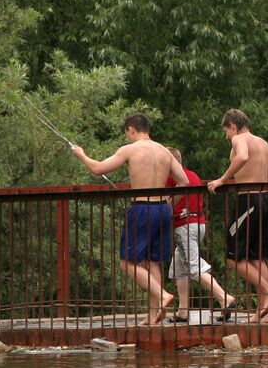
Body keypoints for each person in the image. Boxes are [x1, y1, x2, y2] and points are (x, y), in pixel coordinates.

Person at [71, 114, 188, 325]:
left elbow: (97, 169)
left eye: (127, 134)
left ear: (131, 130)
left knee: (127, 263)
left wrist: (81, 155)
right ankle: (154, 314)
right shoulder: (164, 151)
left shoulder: (130, 150)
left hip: (142, 208)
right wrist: (168, 204)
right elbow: (185, 182)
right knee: (152, 261)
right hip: (162, 210)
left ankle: (163, 295)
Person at [208, 109, 268, 322]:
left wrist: (222, 180)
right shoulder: (263, 143)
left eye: (226, 131)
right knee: (257, 257)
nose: (227, 137)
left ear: (233, 125)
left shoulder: (239, 139)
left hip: (249, 200)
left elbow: (242, 156)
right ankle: (263, 313)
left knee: (233, 257)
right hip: (267, 199)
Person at [166, 149, 237, 324]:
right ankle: (183, 311)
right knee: (179, 265)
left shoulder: (171, 177)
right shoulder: (192, 175)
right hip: (198, 223)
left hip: (184, 224)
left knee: (193, 265)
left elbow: (166, 201)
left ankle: (224, 297)